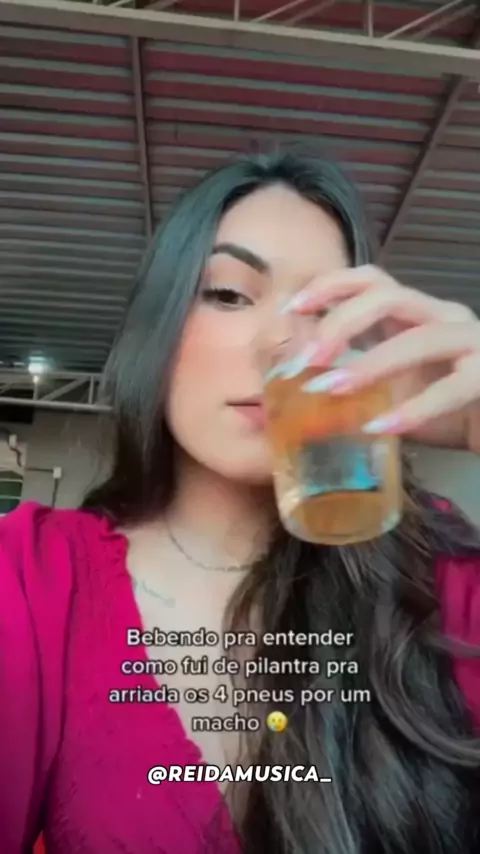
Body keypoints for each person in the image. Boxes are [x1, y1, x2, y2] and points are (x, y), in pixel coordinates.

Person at [1, 146, 480, 854]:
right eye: (228, 294)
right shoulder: (34, 576)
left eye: (328, 311)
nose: (283, 343)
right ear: (159, 324)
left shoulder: (438, 574)